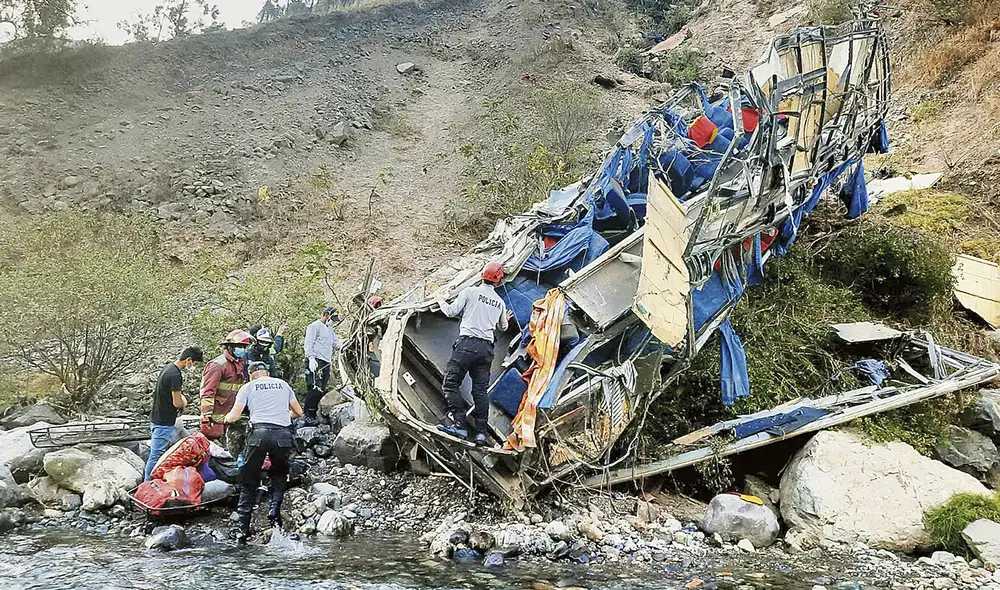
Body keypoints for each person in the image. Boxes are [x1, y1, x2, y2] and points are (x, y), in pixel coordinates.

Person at [224, 360, 303, 545]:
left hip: (258, 435)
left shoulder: (247, 387)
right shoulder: (283, 384)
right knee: (279, 475)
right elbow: (298, 412)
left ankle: (242, 530)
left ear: (251, 375)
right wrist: (281, 417)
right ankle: (274, 514)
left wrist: (225, 419)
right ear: (267, 373)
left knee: (249, 480)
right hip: (283, 436)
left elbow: (234, 417)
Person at [434, 261, 511, 444]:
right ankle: (481, 433)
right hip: (486, 350)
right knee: (480, 391)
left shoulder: (469, 292)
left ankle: (460, 426)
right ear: (499, 280)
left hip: (466, 345)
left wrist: (440, 299)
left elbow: (450, 312)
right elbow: (503, 326)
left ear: (482, 275)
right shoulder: (500, 303)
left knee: (451, 384)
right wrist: (506, 319)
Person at [144, 346, 204, 481]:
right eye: (194, 363)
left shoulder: (168, 368)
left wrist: (181, 398)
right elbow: (177, 403)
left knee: (160, 453)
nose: (193, 366)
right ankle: (146, 484)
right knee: (156, 455)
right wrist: (184, 403)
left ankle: (153, 481)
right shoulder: (176, 375)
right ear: (188, 360)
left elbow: (173, 393)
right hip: (164, 421)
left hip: (157, 416)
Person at [200, 329, 251, 455]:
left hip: (232, 414)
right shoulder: (218, 365)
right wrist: (206, 415)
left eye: (244, 347)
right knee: (216, 451)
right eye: (239, 346)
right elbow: (208, 391)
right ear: (230, 347)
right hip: (217, 415)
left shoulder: (239, 363)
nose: (242, 350)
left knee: (234, 450)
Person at [302, 306, 341, 425]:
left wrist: (344, 346)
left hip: (326, 361)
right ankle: (308, 415)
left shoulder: (330, 329)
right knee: (314, 388)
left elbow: (335, 343)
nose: (333, 321)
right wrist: (311, 358)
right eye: (332, 318)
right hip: (315, 360)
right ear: (326, 315)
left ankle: (316, 414)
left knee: (322, 388)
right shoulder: (314, 326)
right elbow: (308, 343)